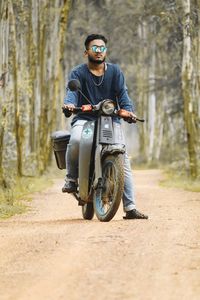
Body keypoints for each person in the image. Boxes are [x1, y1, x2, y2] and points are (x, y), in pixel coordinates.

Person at [62, 34, 148, 220]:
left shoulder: (115, 72)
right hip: (85, 119)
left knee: (123, 159)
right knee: (76, 139)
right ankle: (70, 178)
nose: (98, 51)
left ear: (106, 51)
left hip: (110, 120)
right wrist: (69, 105)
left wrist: (128, 111)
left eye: (102, 48)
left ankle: (130, 207)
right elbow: (71, 93)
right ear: (86, 52)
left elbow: (123, 95)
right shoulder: (78, 73)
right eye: (94, 48)